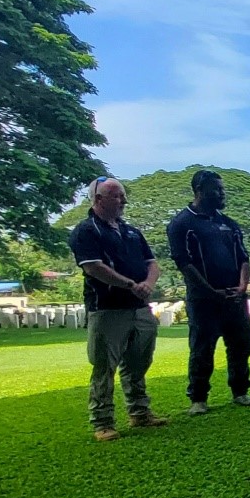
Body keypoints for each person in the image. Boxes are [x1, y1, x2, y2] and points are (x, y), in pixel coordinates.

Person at [68, 177, 168, 441]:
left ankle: (140, 412)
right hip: (107, 309)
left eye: (123, 196)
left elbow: (153, 264)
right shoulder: (86, 231)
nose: (123, 201)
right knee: (104, 367)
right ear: (98, 199)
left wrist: (147, 284)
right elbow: (93, 267)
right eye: (117, 196)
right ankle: (102, 422)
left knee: (139, 362)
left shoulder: (131, 232)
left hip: (139, 308)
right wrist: (129, 284)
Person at [167, 170, 250, 415]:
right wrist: (210, 291)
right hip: (204, 300)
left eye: (222, 189)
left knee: (241, 345)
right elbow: (184, 263)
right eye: (216, 189)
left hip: (235, 297)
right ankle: (198, 397)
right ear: (199, 190)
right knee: (202, 348)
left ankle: (240, 391)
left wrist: (241, 287)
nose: (221, 193)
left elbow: (243, 259)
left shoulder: (229, 224)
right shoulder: (183, 223)